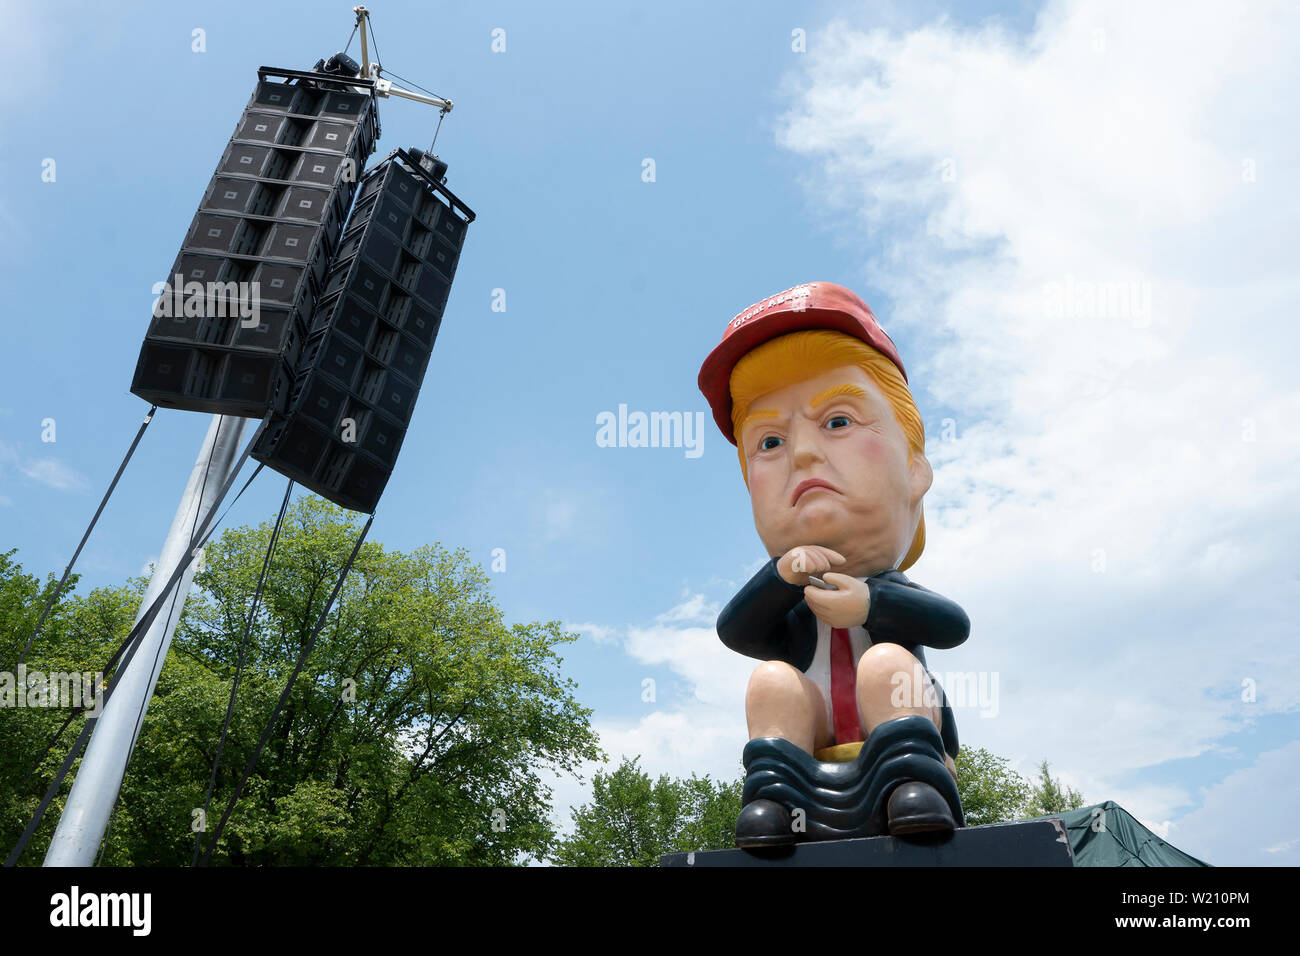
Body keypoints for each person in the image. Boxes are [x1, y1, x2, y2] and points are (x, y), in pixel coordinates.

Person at [697, 281, 970, 846]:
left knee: (887, 665)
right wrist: (780, 578)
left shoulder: (891, 588)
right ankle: (774, 797)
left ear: (915, 469)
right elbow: (736, 630)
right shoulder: (788, 593)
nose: (801, 453)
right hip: (810, 756)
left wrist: (871, 603)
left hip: (900, 746)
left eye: (838, 421)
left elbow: (953, 626)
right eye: (769, 442)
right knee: (772, 680)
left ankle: (913, 782)